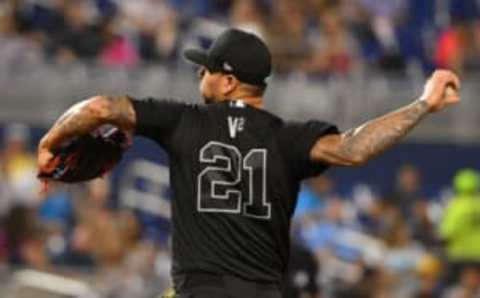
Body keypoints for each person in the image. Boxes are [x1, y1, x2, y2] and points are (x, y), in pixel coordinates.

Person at [37, 28, 460, 298]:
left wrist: (50, 140)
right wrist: (423, 104)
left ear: (228, 80)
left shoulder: (181, 121)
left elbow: (98, 108)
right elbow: (356, 148)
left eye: (205, 71)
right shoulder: (286, 137)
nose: (199, 77)